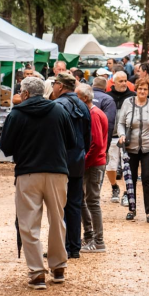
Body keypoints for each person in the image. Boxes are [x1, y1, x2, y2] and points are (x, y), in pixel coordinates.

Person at [0, 76, 76, 289]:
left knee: (29, 223)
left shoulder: (16, 114)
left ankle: (37, 272)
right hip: (57, 171)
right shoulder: (59, 111)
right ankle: (58, 266)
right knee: (58, 219)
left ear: (24, 93)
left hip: (28, 173)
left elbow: (5, 147)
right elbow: (72, 141)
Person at [49, 71, 90, 258]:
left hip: (60, 162)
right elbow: (88, 137)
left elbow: (53, 137)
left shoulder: (57, 105)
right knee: (74, 205)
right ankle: (74, 247)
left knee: (58, 206)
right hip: (78, 161)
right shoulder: (83, 104)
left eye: (54, 84)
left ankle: (62, 247)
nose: (53, 87)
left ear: (60, 86)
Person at [116, 77, 149, 223]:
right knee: (130, 179)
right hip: (130, 148)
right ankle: (132, 209)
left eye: (145, 89)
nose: (142, 91)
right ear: (136, 89)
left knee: (147, 178)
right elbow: (120, 123)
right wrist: (122, 135)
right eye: (140, 88)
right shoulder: (127, 103)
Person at [77, 83, 108, 253]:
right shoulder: (91, 113)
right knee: (85, 200)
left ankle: (99, 241)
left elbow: (97, 143)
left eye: (77, 97)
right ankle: (89, 236)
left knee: (93, 202)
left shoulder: (94, 114)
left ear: (85, 98)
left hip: (95, 164)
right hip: (94, 162)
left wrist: (85, 162)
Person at [106, 72, 136, 204]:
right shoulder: (108, 97)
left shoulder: (132, 97)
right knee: (111, 166)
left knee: (126, 166)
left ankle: (125, 192)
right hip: (111, 137)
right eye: (121, 81)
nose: (124, 83)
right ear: (114, 82)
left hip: (127, 137)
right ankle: (114, 187)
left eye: (125, 81)